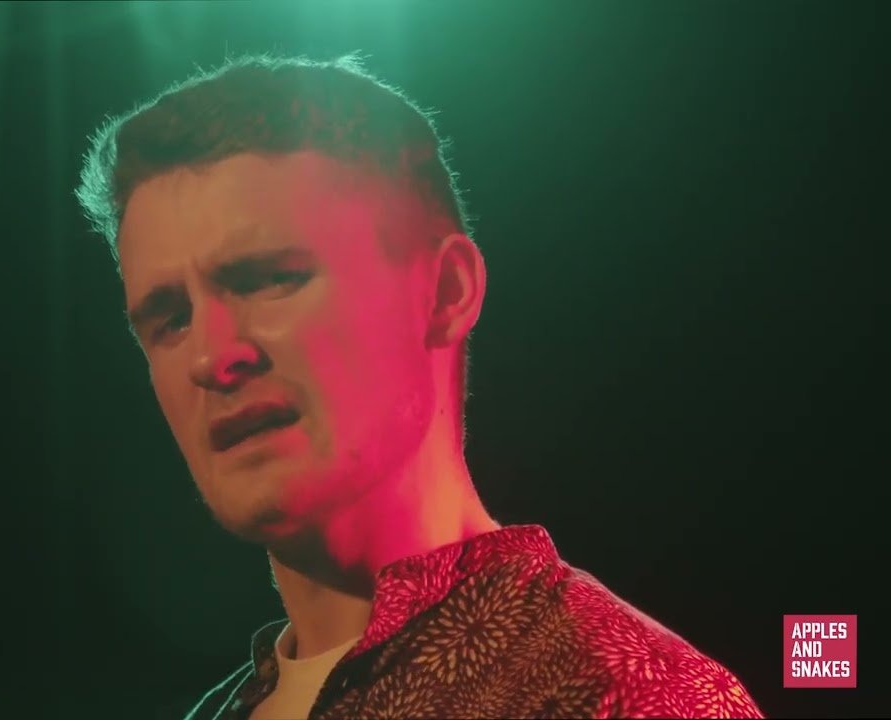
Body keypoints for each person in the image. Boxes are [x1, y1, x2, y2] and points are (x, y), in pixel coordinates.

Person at [75, 53, 764, 720]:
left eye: (267, 278)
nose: (211, 355)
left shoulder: (629, 694)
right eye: (169, 318)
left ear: (444, 291)